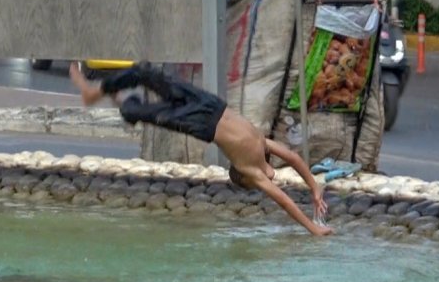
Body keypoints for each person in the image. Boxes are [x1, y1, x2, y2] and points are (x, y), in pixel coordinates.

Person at [70, 62, 333, 236]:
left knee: (141, 111)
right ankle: (97, 93)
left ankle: (122, 103)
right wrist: (314, 187)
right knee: (146, 72)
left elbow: (285, 201)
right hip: (211, 104)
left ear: (243, 178)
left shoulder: (252, 171)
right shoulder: (262, 145)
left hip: (201, 123)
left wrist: (312, 227)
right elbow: (294, 158)